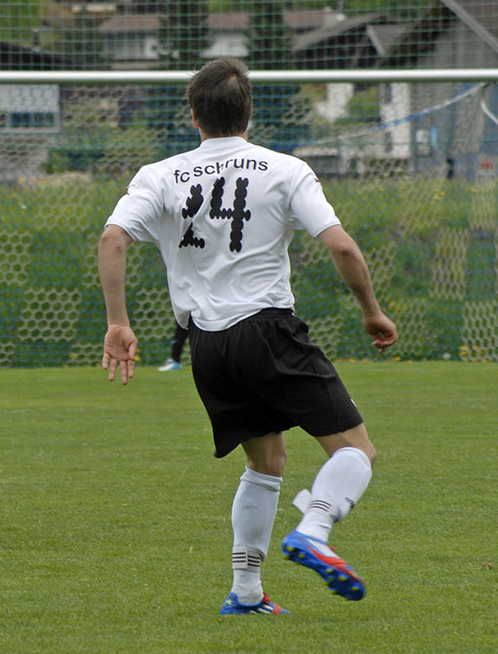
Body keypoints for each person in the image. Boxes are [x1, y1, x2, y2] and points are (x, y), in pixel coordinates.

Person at [97, 57, 398, 614]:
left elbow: (113, 238)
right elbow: (342, 247)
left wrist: (119, 321)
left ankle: (246, 592)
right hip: (266, 330)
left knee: (266, 462)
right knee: (358, 450)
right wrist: (372, 311)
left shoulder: (159, 174)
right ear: (249, 112)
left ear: (193, 115)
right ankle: (314, 528)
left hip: (208, 346)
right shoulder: (284, 169)